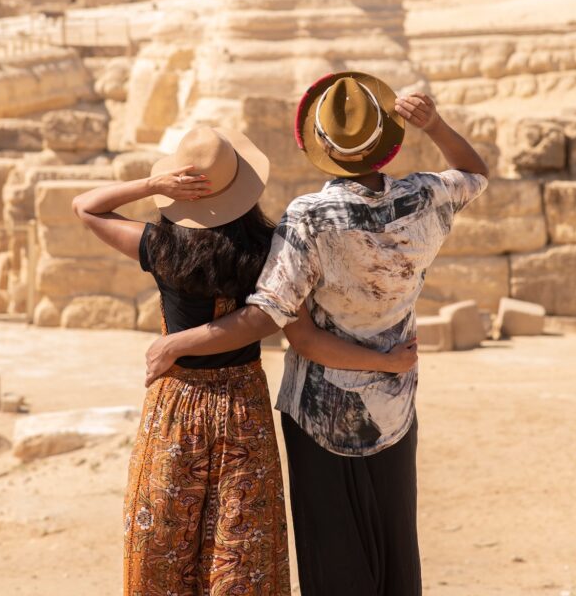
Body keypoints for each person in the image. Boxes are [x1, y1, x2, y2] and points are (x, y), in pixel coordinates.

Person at [144, 76, 490, 596]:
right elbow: (474, 172)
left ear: (322, 146)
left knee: (335, 566)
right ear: (386, 141)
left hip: (320, 417)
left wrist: (175, 343)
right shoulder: (425, 197)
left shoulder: (308, 218)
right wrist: (435, 124)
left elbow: (290, 329)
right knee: (395, 553)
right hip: (394, 409)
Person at [72, 122, 418, 596]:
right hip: (243, 411)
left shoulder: (160, 245)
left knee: (164, 546)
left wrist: (152, 186)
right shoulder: (270, 249)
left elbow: (86, 207)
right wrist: (385, 361)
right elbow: (295, 332)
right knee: (241, 553)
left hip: (177, 408)